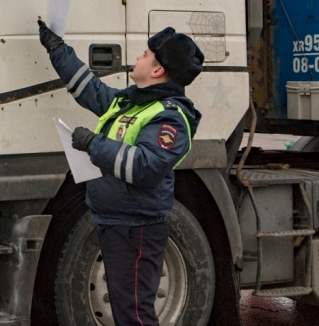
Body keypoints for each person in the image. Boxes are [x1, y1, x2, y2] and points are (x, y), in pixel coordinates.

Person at [38, 20, 204, 326]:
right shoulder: (130, 102)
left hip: (137, 229)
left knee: (135, 316)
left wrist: (93, 144)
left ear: (157, 71)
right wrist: (57, 48)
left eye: (145, 55)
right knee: (127, 313)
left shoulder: (169, 116)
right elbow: (89, 89)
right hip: (117, 224)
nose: (138, 58)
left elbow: (145, 166)